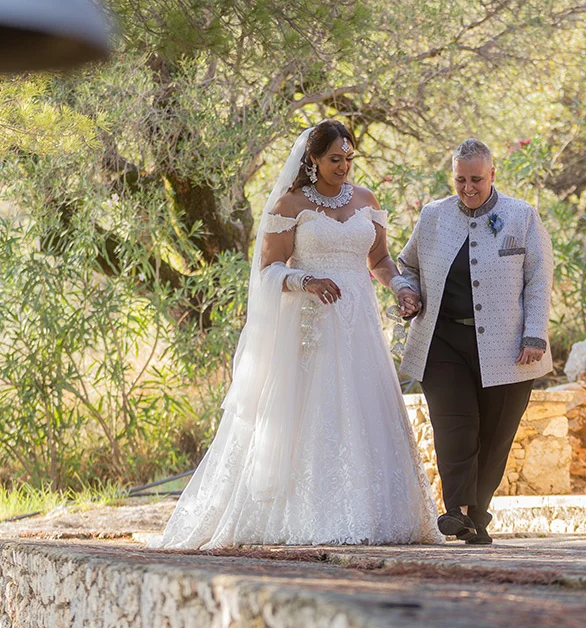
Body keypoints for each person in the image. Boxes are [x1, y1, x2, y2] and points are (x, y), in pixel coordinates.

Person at [158, 121, 441, 548]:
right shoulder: (291, 204)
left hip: (360, 324)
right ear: (313, 159)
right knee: (317, 410)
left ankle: (374, 512)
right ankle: (308, 514)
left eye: (348, 158)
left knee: (366, 410)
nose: (343, 166)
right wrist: (304, 280)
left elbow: (379, 258)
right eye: (334, 159)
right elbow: (269, 269)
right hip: (314, 325)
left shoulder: (366, 200)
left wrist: (401, 286)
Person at [390, 138, 553, 545]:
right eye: (461, 180)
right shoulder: (433, 216)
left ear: (493, 174)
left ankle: (476, 516)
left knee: (496, 436)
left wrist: (535, 334)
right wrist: (407, 292)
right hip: (442, 340)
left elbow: (538, 279)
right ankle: (456, 511)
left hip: (507, 347)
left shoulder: (522, 216)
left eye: (476, 179)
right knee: (454, 425)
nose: (468, 188)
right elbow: (405, 264)